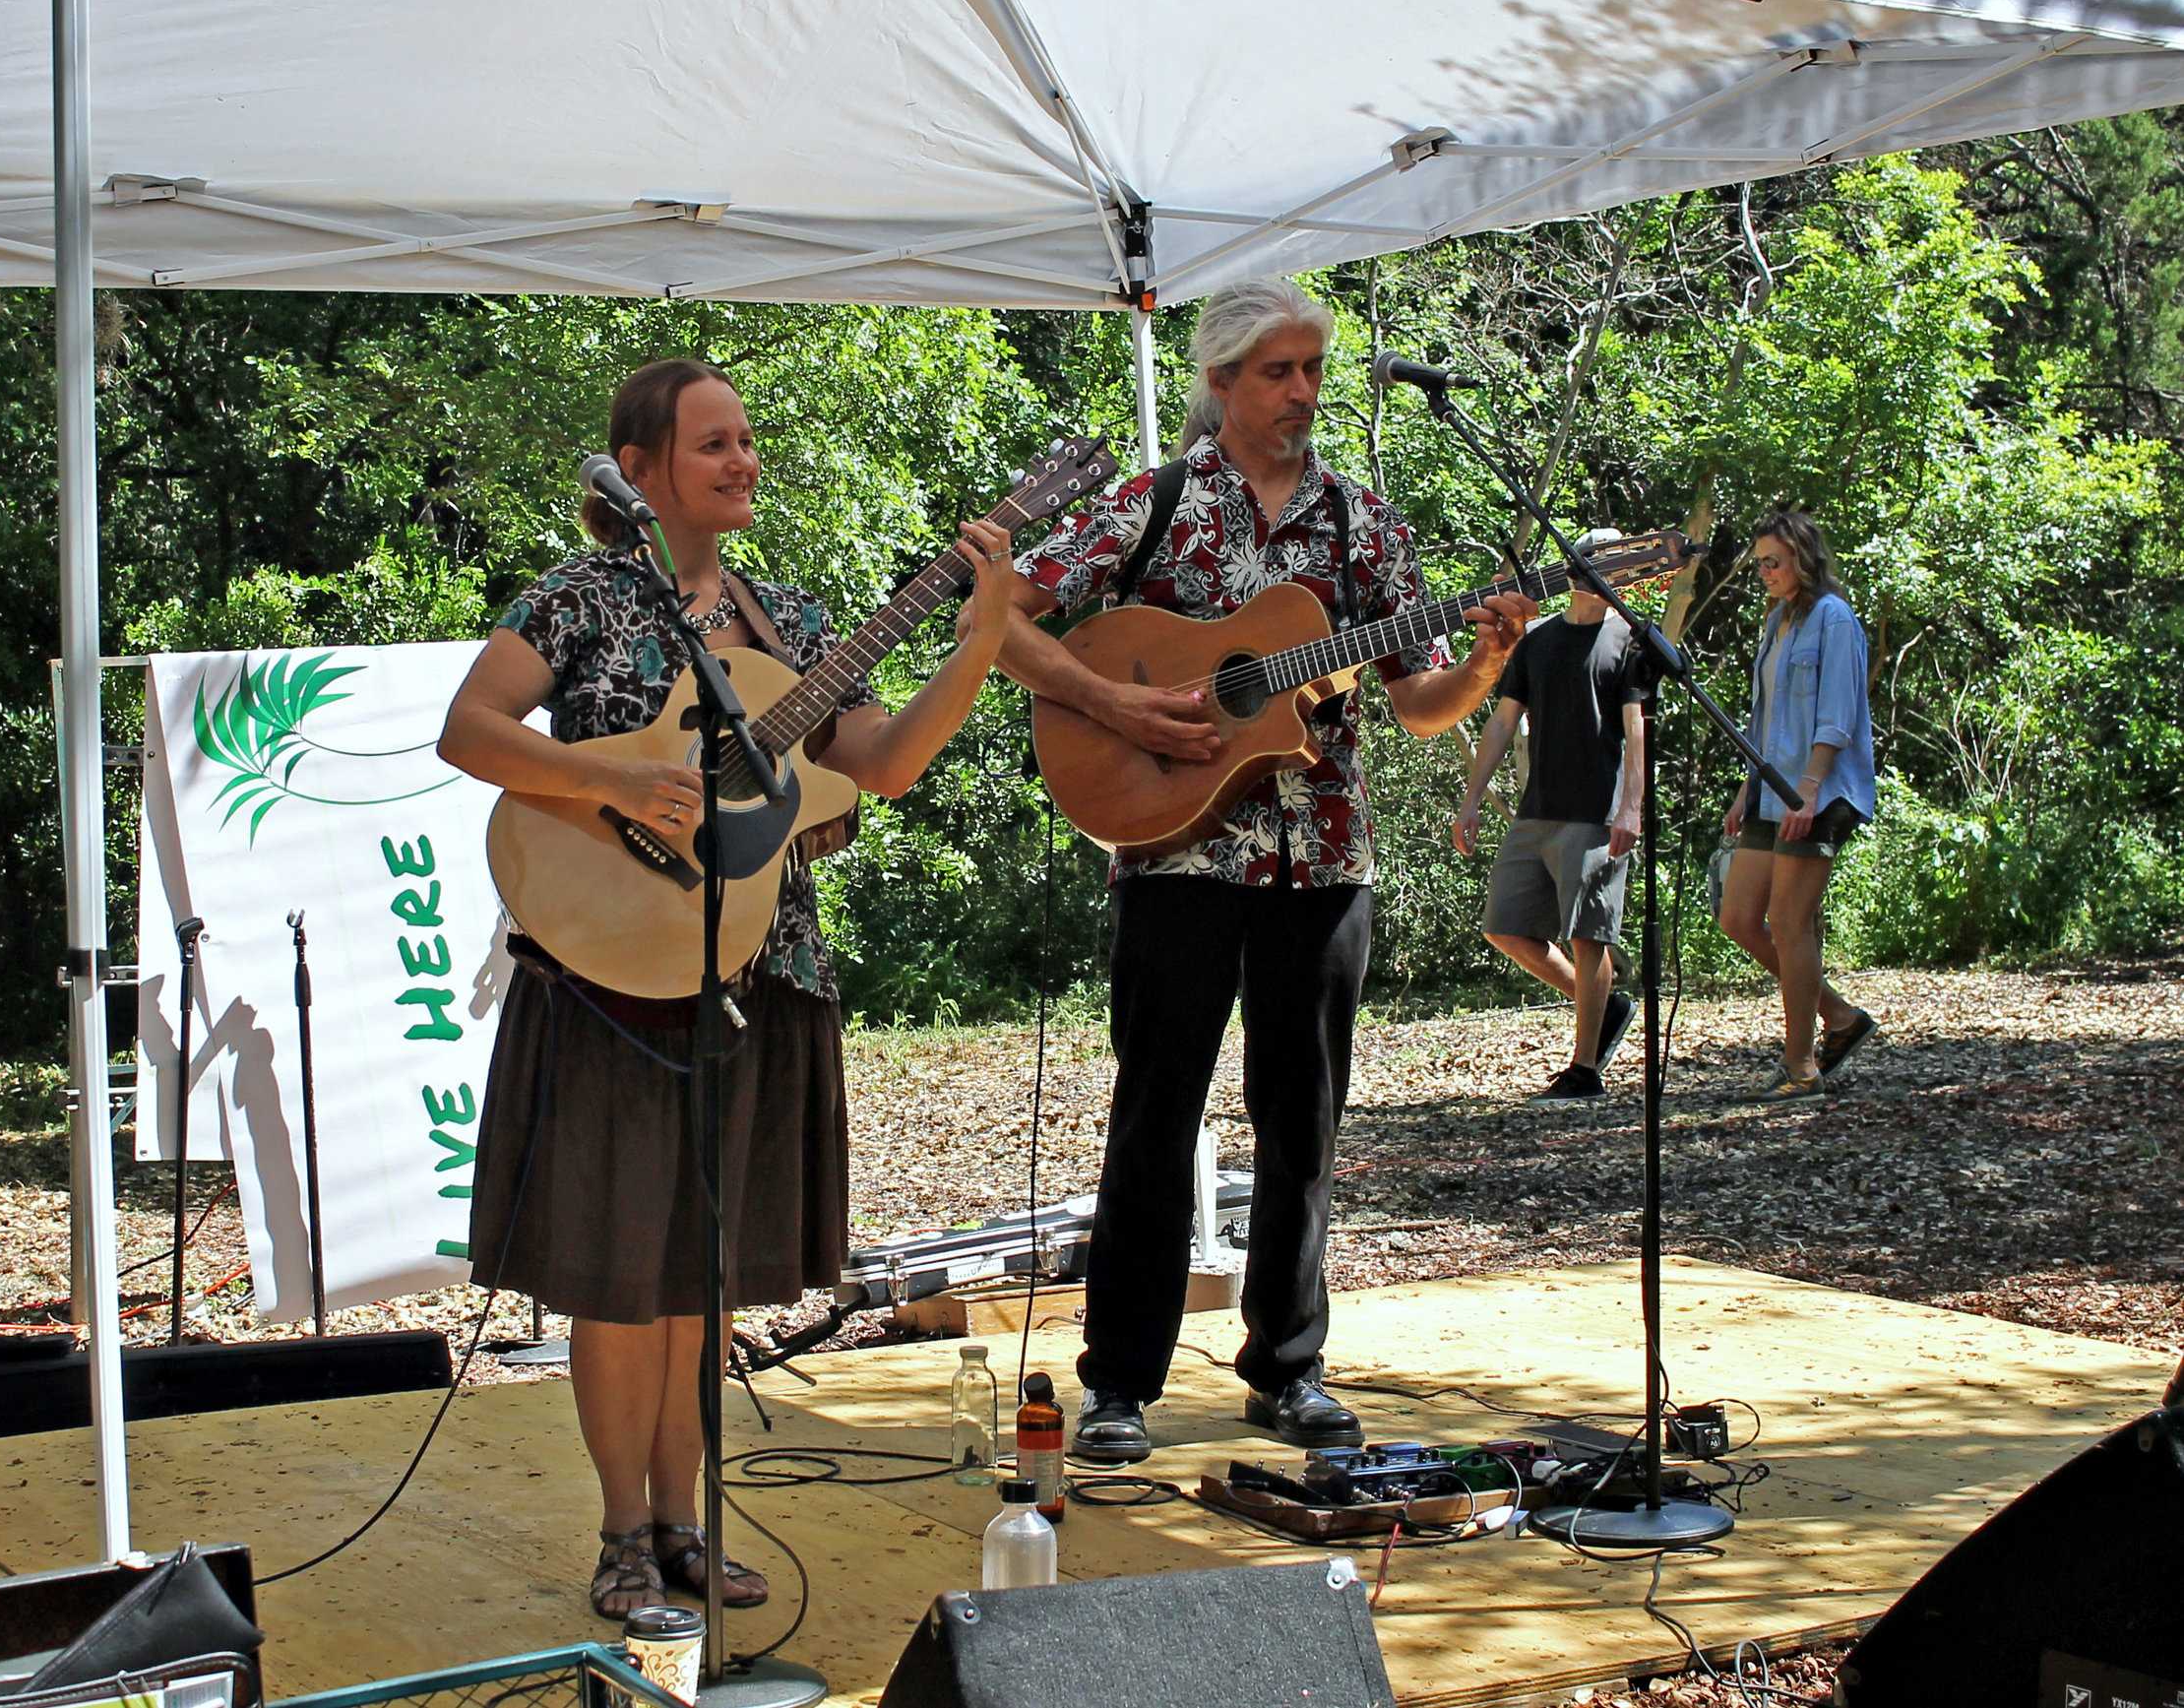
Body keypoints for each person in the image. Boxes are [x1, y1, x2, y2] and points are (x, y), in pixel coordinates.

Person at [437, 357, 1014, 1620]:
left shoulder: (788, 623)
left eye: (747, 439)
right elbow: (470, 730)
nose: (741, 460)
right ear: (637, 471)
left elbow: (886, 762)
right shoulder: (580, 598)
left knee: (700, 1273)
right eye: (711, 444)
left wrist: (979, 641)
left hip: (755, 971)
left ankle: (685, 1522)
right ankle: (622, 1534)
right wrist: (613, 783)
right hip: (604, 973)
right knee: (617, 1269)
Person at [987, 279, 1536, 1463]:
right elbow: (1008, 620)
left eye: (1312, 371)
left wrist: (1489, 659)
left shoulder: (1365, 528)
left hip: (1323, 857)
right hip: (1178, 854)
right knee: (1153, 1114)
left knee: (1304, 1120)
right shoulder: (1157, 504)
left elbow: (1424, 707)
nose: (1302, 392)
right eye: (1278, 371)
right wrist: (1116, 695)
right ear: (1221, 381)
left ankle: (1286, 1367)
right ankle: (1119, 1382)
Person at [1451, 532, 1646, 1103]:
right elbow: (1502, 722)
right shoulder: (1538, 641)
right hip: (1537, 812)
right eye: (1587, 561)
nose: (1594, 572)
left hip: (1596, 814)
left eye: (1610, 563)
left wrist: (1630, 808)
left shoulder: (1629, 643)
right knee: (1506, 927)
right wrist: (1471, 800)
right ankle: (1604, 1006)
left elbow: (1637, 733)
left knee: (1589, 937)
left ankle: (1585, 1068)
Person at [1716, 509, 1878, 1100]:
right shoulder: (1778, 620)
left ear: (1803, 559)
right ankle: (1840, 1018)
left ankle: (1800, 1065)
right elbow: (1763, 721)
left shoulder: (1833, 618)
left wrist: (1808, 788)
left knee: (1789, 922)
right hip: (1771, 788)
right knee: (1737, 916)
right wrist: (1745, 792)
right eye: (1759, 563)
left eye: (1774, 561)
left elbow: (1837, 715)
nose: (1764, 571)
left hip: (1821, 789)